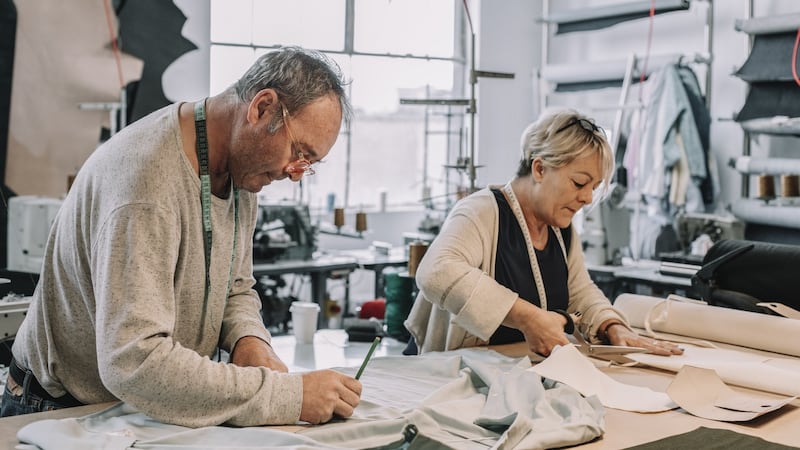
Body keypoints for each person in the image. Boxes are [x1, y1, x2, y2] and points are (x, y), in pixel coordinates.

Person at [1, 46, 362, 427]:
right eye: (299, 152)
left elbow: (234, 287)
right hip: (63, 411)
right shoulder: (147, 183)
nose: (294, 172)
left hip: (138, 407)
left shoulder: (243, 173)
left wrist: (249, 342)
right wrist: (288, 396)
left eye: (309, 165)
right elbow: (133, 361)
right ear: (262, 108)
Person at [404, 109, 684, 358]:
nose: (587, 198)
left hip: (512, 376)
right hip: (450, 377)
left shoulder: (561, 231)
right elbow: (436, 272)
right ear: (539, 168)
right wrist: (528, 318)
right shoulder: (482, 212)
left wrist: (612, 326)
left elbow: (579, 292)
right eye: (579, 183)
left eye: (594, 187)